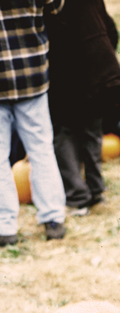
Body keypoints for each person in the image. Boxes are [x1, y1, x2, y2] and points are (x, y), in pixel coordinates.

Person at [44, 0, 120, 215]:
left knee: (63, 133)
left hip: (64, 74)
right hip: (97, 72)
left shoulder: (49, 4)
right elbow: (111, 30)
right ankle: (95, 189)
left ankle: (77, 197)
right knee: (92, 132)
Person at [0, 0, 66, 245]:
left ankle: (5, 227)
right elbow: (57, 6)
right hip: (32, 75)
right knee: (41, 150)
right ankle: (53, 219)